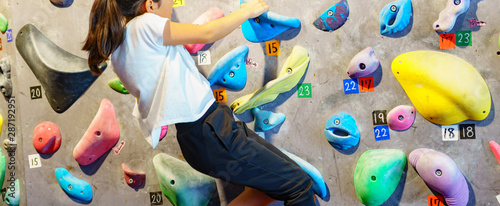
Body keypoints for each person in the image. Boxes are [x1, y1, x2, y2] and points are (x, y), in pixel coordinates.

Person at [83, 0, 316, 205]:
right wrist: (247, 11)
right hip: (213, 133)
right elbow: (205, 33)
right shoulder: (145, 24)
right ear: (150, 5)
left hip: (200, 139)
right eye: (170, 1)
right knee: (300, 186)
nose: (173, 7)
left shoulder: (119, 53)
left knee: (271, 186)